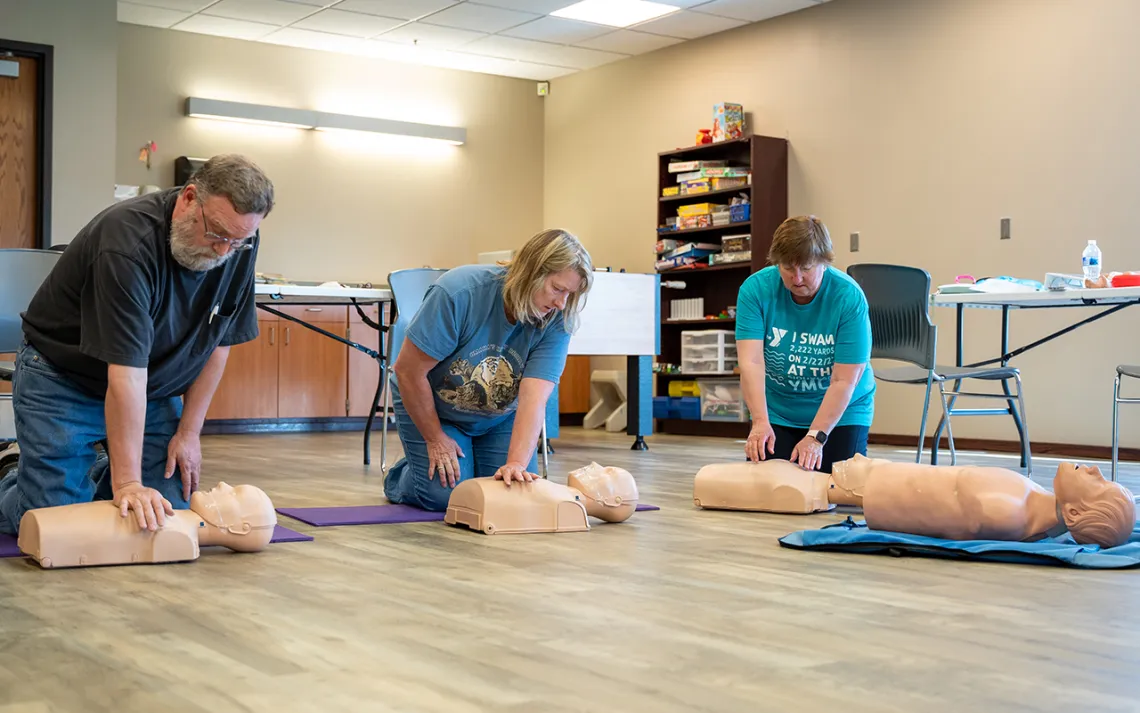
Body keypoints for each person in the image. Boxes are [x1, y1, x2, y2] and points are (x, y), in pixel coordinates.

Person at [0, 154, 274, 536]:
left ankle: (88, 469)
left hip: (153, 387)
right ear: (189, 198)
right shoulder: (126, 241)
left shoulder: (238, 239)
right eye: (216, 233)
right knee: (55, 521)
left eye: (238, 241)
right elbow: (125, 373)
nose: (223, 252)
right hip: (62, 379)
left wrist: (189, 432)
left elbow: (219, 340)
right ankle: (15, 477)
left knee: (162, 513)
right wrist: (128, 483)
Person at [383, 229, 594, 512]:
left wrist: (517, 464)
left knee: (511, 491)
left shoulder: (558, 317)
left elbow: (534, 397)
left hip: (498, 416)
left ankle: (466, 459)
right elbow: (408, 372)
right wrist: (434, 439)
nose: (561, 303)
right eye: (557, 289)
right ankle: (403, 475)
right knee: (446, 496)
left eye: (570, 294)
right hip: (437, 409)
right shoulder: (459, 293)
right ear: (531, 272)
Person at [735, 215, 876, 473]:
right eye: (788, 268)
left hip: (842, 413)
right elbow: (751, 362)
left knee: (840, 485)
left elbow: (844, 380)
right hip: (779, 413)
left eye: (807, 268)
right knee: (772, 486)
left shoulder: (848, 297)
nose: (797, 278)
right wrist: (759, 422)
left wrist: (816, 437)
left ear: (824, 262)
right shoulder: (755, 290)